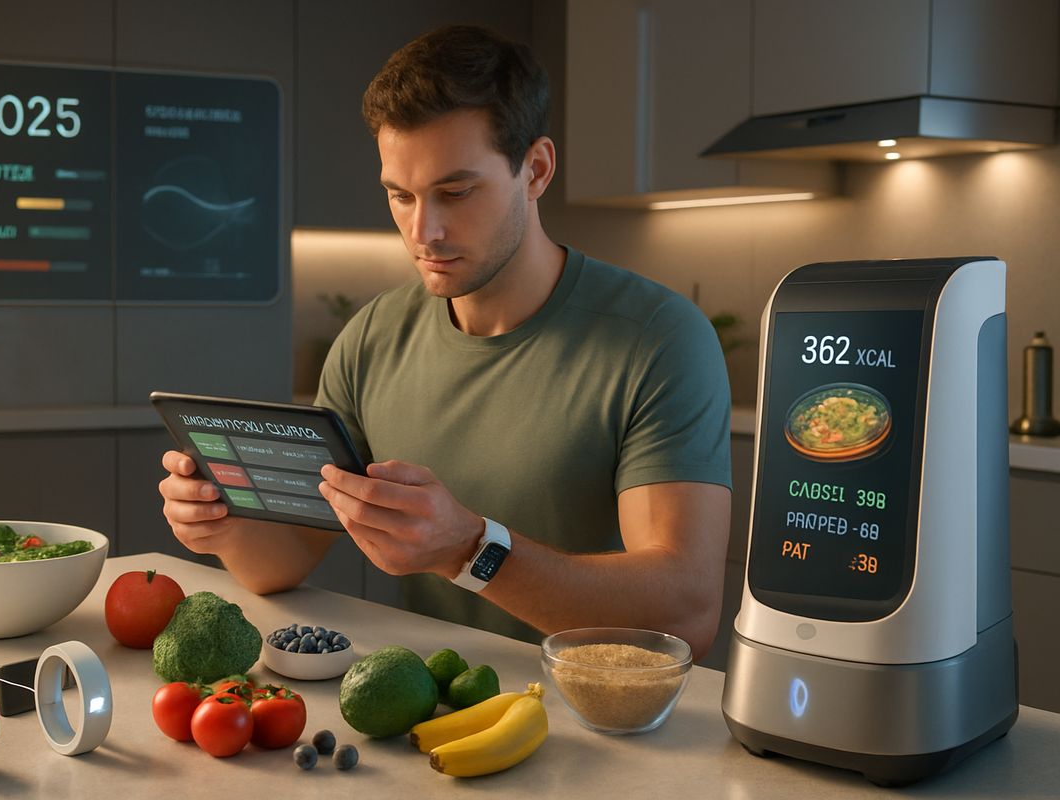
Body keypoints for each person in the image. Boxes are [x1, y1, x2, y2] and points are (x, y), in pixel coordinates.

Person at [159, 24, 732, 659]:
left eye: (456, 192)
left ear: (535, 169)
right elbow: (287, 558)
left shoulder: (659, 339)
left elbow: (685, 612)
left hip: (606, 722)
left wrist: (471, 550)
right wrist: (223, 523)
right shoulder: (370, 340)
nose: (423, 230)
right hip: (429, 714)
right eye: (399, 196)